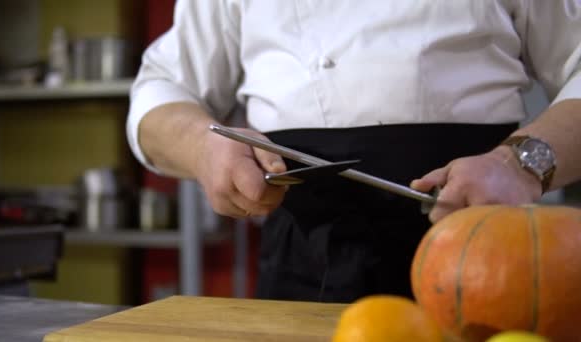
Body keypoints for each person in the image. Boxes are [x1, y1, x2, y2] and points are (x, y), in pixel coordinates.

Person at [127, 1, 581, 303]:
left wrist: (520, 163)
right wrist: (203, 147)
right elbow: (161, 87)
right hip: (302, 271)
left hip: (485, 266)